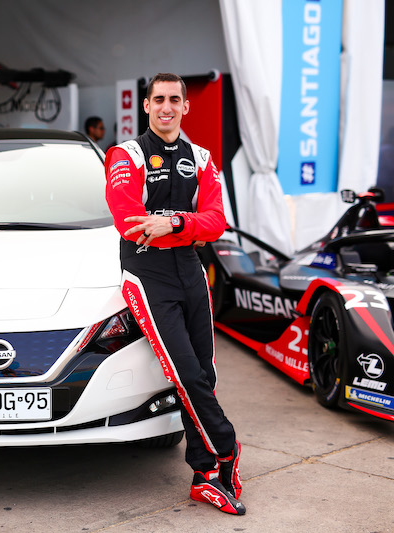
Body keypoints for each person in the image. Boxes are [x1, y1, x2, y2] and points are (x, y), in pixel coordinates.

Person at [104, 73, 245, 516]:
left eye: (174, 100)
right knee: (185, 372)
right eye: (158, 99)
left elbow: (217, 221)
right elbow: (128, 218)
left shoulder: (202, 157)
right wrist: (188, 224)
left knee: (205, 371)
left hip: (190, 270)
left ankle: (204, 477)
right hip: (146, 273)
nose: (166, 106)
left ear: (186, 107)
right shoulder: (124, 154)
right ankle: (227, 448)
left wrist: (174, 224)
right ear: (146, 106)